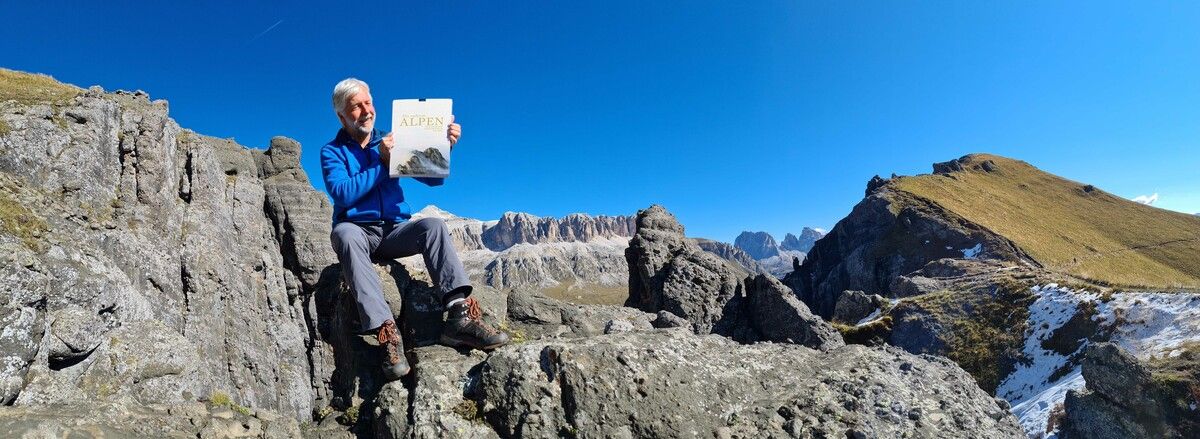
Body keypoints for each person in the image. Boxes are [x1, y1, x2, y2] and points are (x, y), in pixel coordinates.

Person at [320, 78, 509, 381]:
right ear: (342, 116)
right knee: (344, 233)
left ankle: (459, 316)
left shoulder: (392, 138)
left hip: (394, 231)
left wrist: (441, 146)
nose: (367, 110)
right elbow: (342, 193)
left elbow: (433, 179)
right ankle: (386, 332)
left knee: (432, 226)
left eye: (368, 102)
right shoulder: (333, 152)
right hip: (358, 231)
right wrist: (383, 162)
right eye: (356, 107)